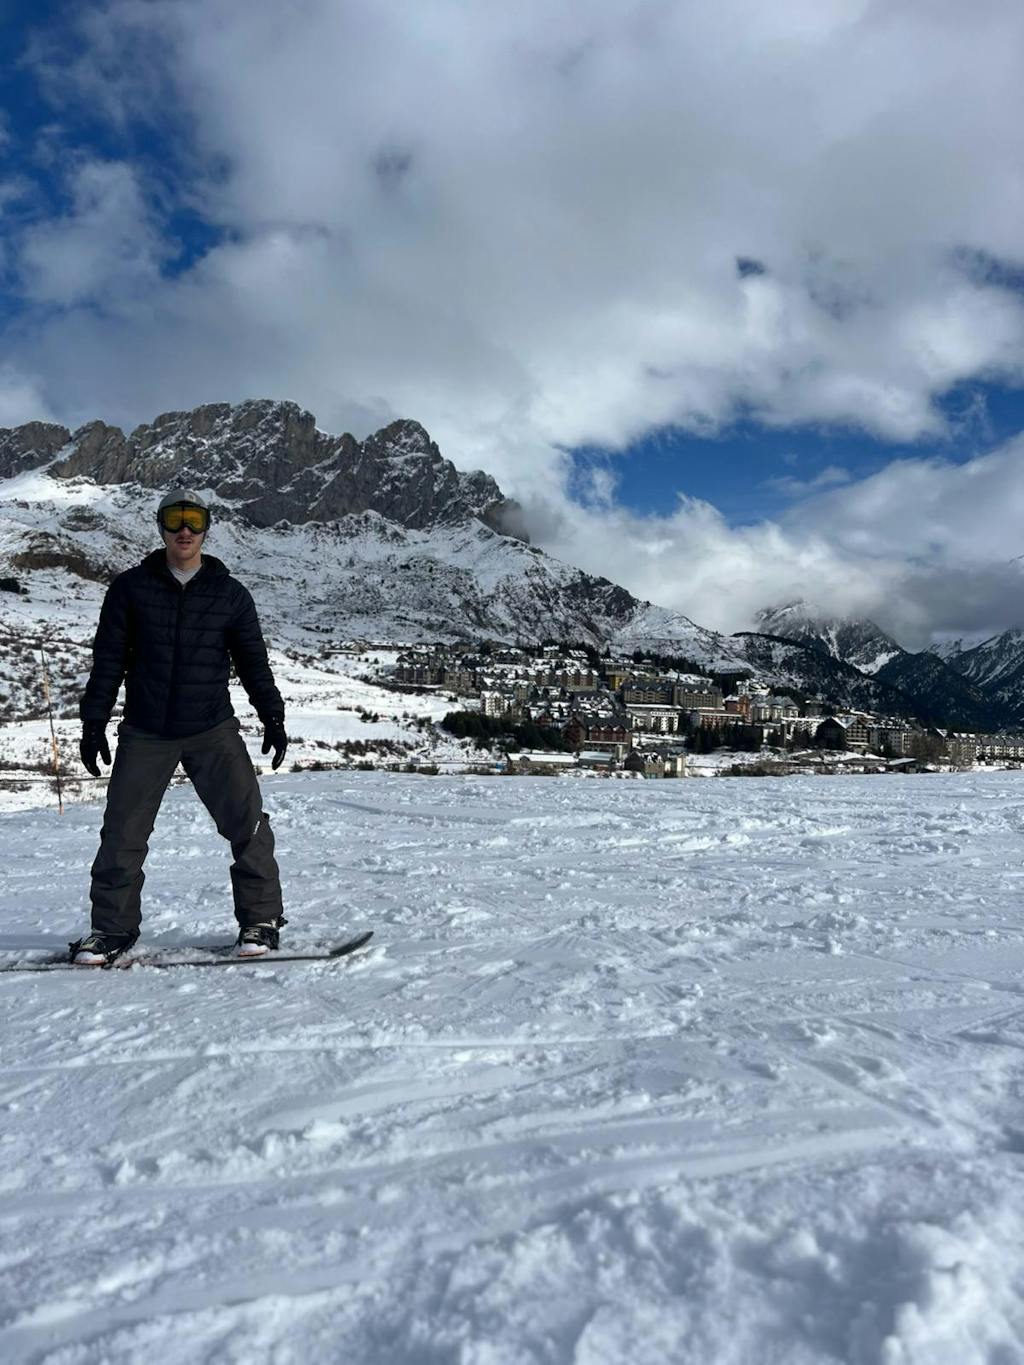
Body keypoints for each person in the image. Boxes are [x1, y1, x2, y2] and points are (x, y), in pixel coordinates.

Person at [71, 489, 289, 964]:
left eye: (193, 519)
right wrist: (93, 722)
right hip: (146, 729)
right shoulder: (130, 588)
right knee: (122, 833)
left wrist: (272, 715)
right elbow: (108, 661)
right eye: (175, 519)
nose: (184, 529)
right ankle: (112, 929)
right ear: (161, 526)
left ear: (207, 527)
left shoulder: (230, 594)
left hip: (211, 727)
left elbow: (253, 662)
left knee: (248, 824)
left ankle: (261, 920)